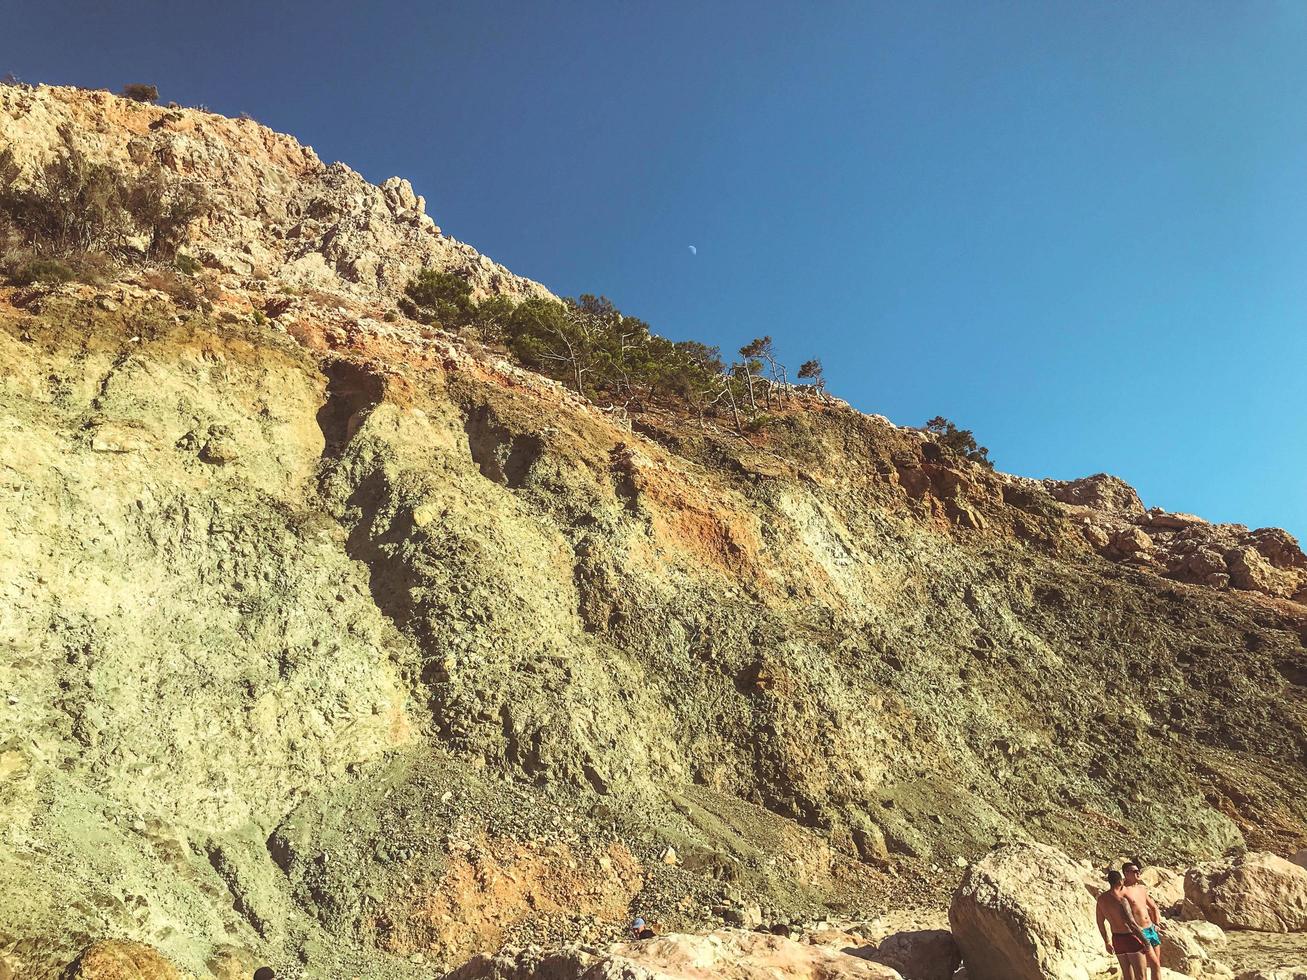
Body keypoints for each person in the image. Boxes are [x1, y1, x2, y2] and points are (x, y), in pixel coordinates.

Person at [1096, 869, 1149, 980]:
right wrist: (1145, 941)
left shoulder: (1101, 900)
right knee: (1141, 976)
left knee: (1127, 976)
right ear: (1120, 882)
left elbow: (1100, 922)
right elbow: (1131, 923)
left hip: (1116, 939)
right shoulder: (1122, 900)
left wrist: (1107, 942)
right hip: (1130, 938)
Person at [1123, 859, 1164, 980]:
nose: (1138, 873)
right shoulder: (1124, 891)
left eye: (1138, 871)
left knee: (1156, 965)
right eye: (1134, 871)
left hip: (1151, 929)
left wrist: (1156, 924)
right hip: (1139, 932)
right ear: (1126, 873)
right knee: (1145, 967)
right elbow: (1124, 914)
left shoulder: (1141, 888)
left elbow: (1153, 907)